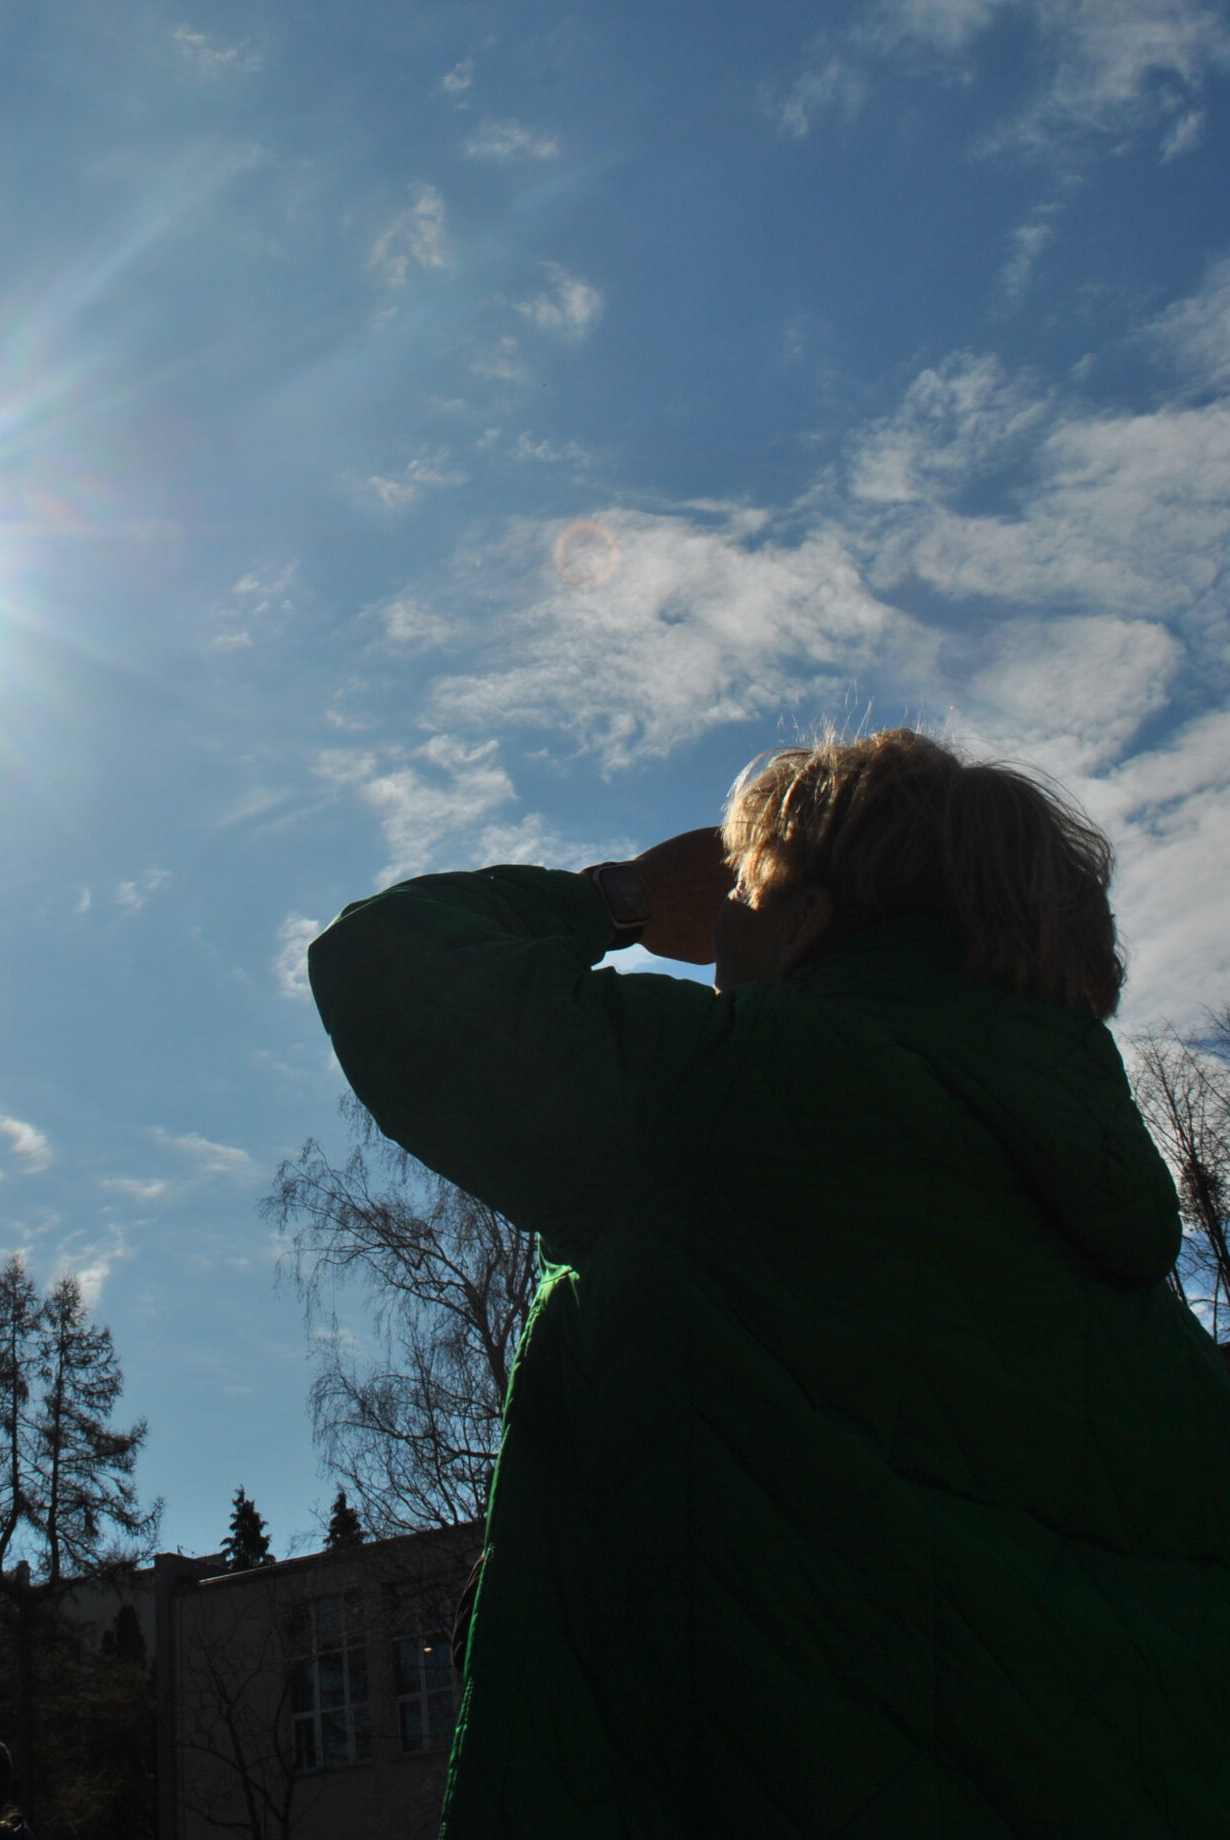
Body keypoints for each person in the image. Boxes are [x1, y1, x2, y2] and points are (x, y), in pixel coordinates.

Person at [307, 725, 1230, 1837]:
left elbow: (386, 967)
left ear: (806, 921)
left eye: (743, 894)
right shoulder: (1131, 1280)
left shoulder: (734, 1096)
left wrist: (624, 896)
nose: (715, 930)